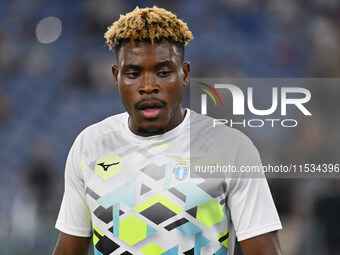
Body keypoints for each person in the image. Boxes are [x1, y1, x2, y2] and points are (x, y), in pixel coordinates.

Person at [53, 6, 282, 255]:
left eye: (163, 73)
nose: (149, 86)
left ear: (184, 74)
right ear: (116, 77)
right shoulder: (89, 145)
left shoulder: (231, 148)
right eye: (133, 74)